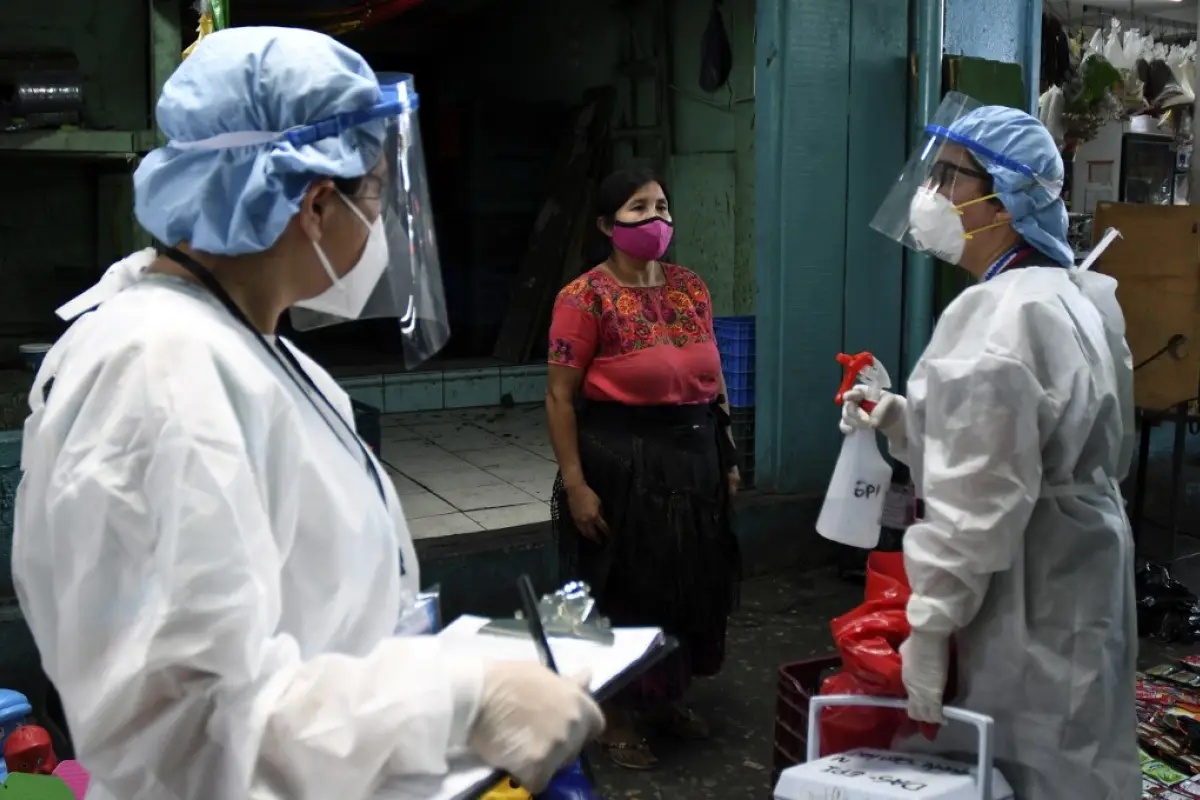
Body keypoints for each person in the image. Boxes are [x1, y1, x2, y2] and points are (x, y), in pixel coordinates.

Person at [12, 27, 602, 800]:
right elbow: (189, 734)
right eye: (378, 194)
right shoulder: (156, 375)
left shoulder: (249, 346)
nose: (384, 224)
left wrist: (442, 679)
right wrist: (460, 703)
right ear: (317, 203)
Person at [841, 93, 1138, 798]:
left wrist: (932, 626)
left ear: (1002, 200)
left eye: (950, 177)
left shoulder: (999, 314)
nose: (932, 194)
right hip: (1079, 562)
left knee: (1026, 763)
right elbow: (1026, 439)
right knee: (1084, 748)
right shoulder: (1069, 294)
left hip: (1025, 587)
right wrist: (903, 419)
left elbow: (978, 497)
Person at [545, 165, 741, 769]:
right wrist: (577, 484)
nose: (656, 220)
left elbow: (715, 380)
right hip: (623, 461)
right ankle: (613, 713)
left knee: (689, 585)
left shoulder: (691, 286)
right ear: (607, 225)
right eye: (638, 209)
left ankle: (663, 697)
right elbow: (559, 397)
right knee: (625, 591)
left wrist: (727, 454)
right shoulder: (582, 298)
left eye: (661, 205)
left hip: (694, 456)